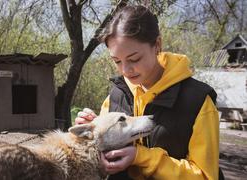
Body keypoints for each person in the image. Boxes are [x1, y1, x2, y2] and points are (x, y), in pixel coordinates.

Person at [75, 5, 223, 180]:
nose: (125, 70)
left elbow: (206, 176)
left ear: (157, 45)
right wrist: (92, 132)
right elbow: (103, 157)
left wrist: (140, 157)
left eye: (134, 59)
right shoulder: (115, 97)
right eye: (117, 61)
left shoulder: (197, 101)